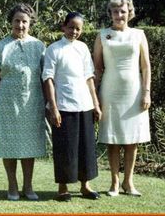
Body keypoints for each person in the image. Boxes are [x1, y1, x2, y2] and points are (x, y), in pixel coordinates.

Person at [93, 0, 151, 197]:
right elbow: (97, 68)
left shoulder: (139, 34)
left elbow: (146, 66)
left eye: (123, 11)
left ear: (129, 13)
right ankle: (114, 183)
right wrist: (95, 97)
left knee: (131, 140)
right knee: (113, 138)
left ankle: (129, 182)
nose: (119, 15)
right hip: (109, 92)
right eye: (115, 11)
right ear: (110, 13)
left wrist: (146, 92)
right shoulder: (102, 35)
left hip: (134, 93)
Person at [0, 3, 46, 201]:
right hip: (7, 101)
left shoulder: (38, 46)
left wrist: (49, 104)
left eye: (24, 22)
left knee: (30, 144)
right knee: (10, 144)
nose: (20, 25)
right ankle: (12, 185)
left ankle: (28, 186)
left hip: (33, 101)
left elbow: (46, 77)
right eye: (17, 21)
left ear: (30, 24)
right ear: (11, 22)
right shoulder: (2, 45)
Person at [43, 12, 102, 202]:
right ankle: (63, 188)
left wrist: (96, 104)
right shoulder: (53, 49)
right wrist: (53, 107)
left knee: (86, 147)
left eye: (78, 28)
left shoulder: (83, 48)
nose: (74, 31)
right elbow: (48, 79)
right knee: (65, 147)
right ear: (63, 26)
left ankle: (85, 186)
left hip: (84, 104)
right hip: (63, 106)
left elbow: (89, 77)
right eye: (71, 27)